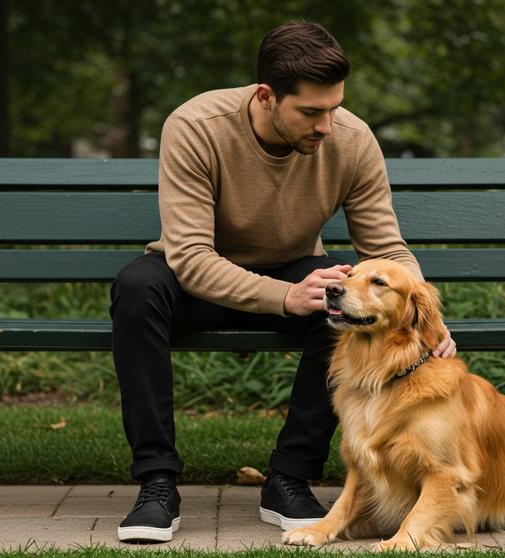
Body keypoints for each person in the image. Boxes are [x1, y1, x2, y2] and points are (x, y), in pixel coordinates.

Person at [109, 20, 455, 543]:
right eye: (312, 112)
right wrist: (282, 297)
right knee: (136, 288)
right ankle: (157, 482)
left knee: (341, 298)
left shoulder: (353, 140)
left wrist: (427, 318)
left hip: (293, 268)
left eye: (334, 108)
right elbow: (191, 255)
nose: (327, 126)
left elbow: (384, 248)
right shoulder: (197, 125)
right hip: (196, 278)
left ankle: (289, 478)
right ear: (267, 96)